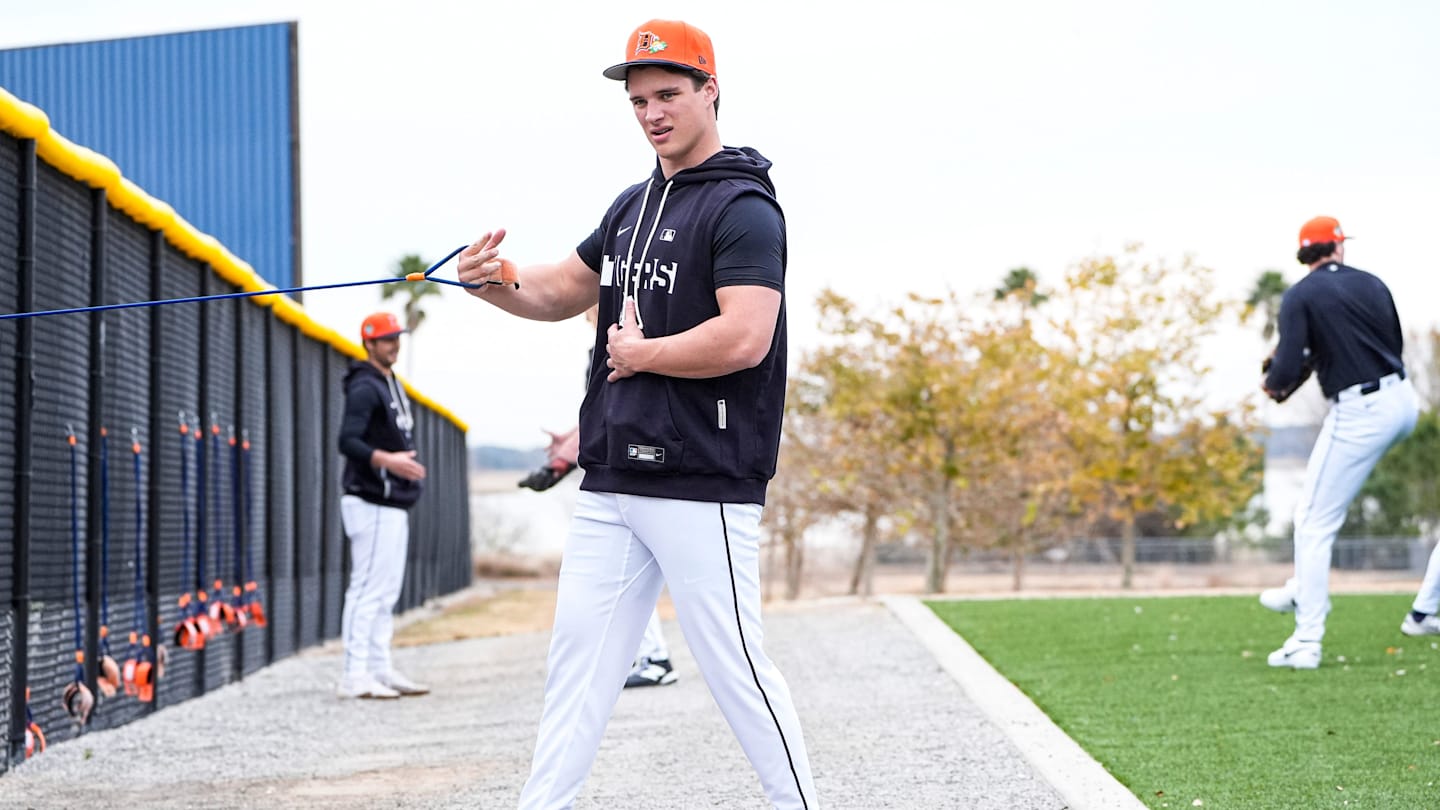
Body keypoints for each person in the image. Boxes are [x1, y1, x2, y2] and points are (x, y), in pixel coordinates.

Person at [458, 19, 817, 808]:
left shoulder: (745, 206)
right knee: (577, 668)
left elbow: (746, 336)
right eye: (639, 100)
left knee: (735, 667)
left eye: (669, 94)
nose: (652, 112)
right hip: (614, 477)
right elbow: (557, 290)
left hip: (703, 479)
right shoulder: (632, 205)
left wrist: (644, 354)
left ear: (709, 90)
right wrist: (490, 280)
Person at [1259, 216, 1418, 669]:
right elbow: (1382, 343)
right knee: (1318, 510)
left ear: (1304, 252)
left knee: (1312, 521)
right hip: (1403, 400)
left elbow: (1289, 365)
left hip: (1361, 410)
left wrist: (1274, 382)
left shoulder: (1300, 295)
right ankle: (1301, 588)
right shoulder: (1372, 283)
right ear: (1337, 247)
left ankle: (1306, 641)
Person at [518, 307, 679, 690]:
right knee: (623, 578)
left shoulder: (625, 341)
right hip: (619, 467)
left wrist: (566, 457)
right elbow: (602, 407)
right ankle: (649, 657)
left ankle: (654, 658)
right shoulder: (604, 344)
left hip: (634, 470)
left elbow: (613, 410)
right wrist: (571, 442)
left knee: (631, 577)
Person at [335, 311, 431, 699]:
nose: (394, 344)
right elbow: (347, 441)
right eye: (387, 339)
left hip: (392, 502)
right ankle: (353, 675)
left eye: (397, 337)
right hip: (369, 499)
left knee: (387, 590)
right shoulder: (364, 386)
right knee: (366, 590)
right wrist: (388, 460)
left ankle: (379, 668)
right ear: (369, 344)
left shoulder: (390, 383)